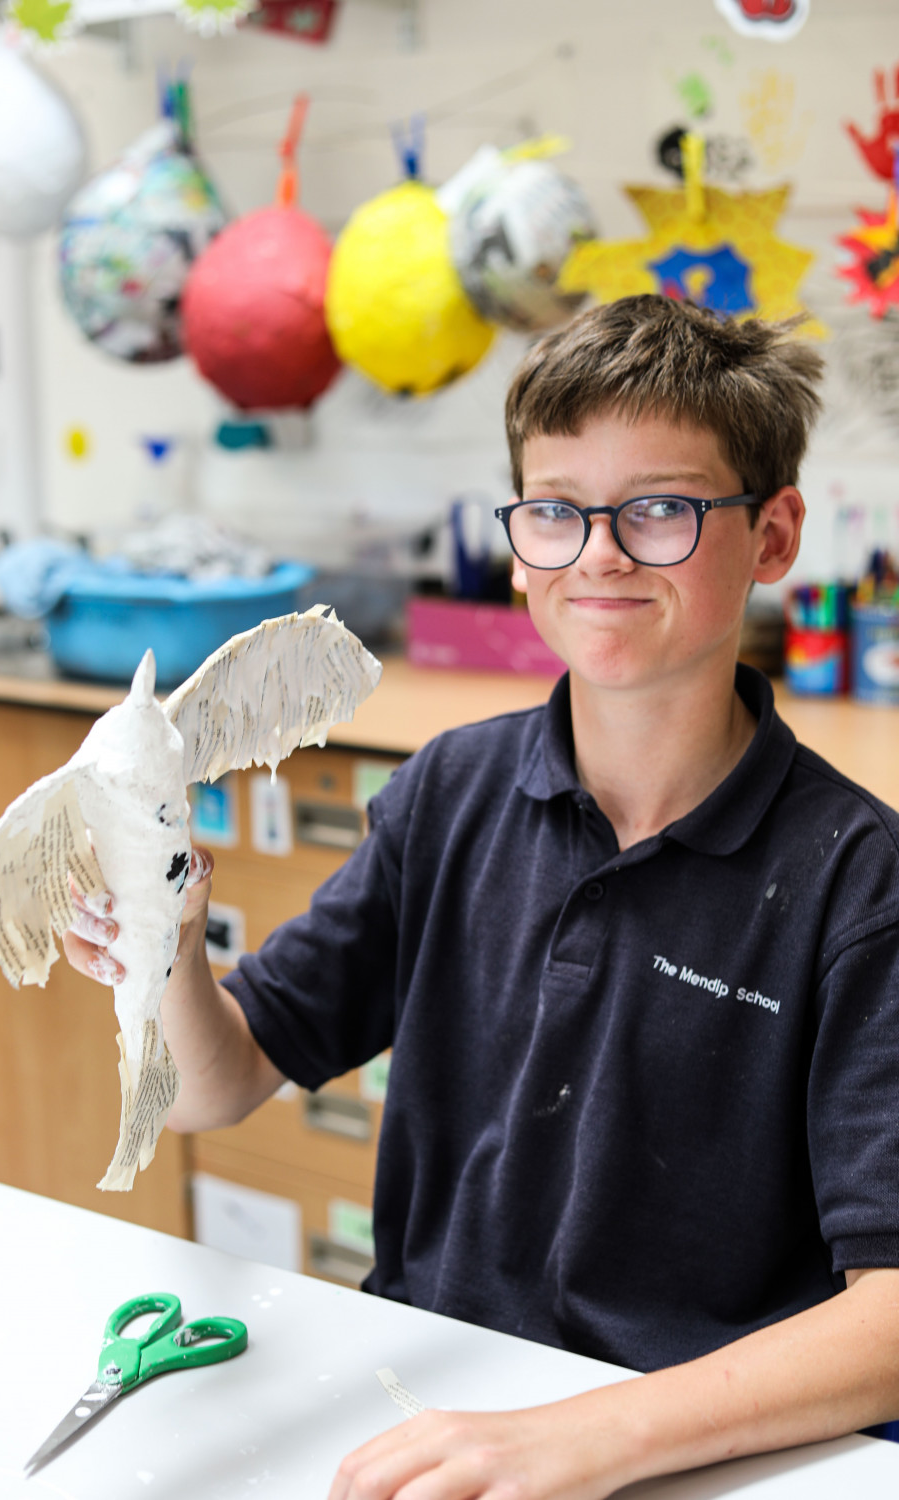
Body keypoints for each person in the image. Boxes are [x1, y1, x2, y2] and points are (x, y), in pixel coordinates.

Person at [66, 295, 899, 1499]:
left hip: (685, 1449)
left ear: (772, 537)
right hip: (432, 1403)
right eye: (556, 511)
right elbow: (216, 1085)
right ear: (517, 544)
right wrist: (170, 950)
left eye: (659, 509)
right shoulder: (450, 791)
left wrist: (587, 1436)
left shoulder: (854, 879)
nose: (599, 554)